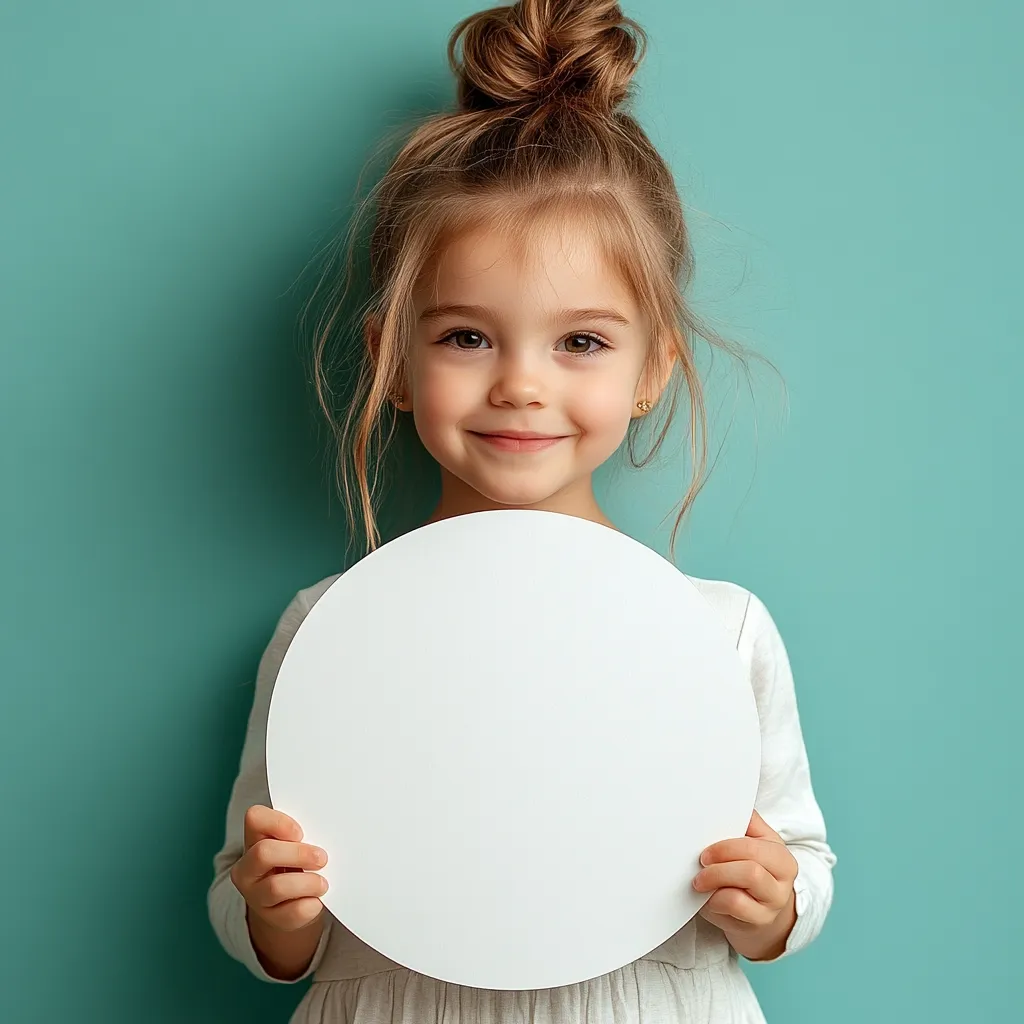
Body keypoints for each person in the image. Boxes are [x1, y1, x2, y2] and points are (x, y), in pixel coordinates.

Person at [207, 1, 836, 1020]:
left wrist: (773, 902)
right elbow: (251, 898)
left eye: (580, 342)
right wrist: (275, 912)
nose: (521, 386)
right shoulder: (329, 629)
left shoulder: (719, 631)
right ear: (393, 362)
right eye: (466, 337)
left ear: (650, 372)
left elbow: (800, 866)